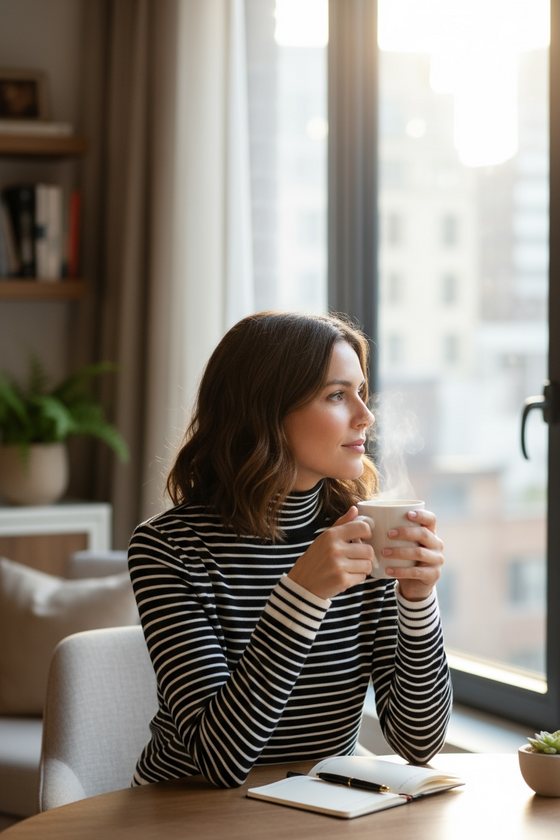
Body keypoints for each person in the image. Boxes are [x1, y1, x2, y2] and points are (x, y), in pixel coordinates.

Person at [128, 311, 451, 789]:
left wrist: (418, 600)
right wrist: (303, 593)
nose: (365, 416)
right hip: (185, 807)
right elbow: (221, 761)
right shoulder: (168, 548)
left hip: (322, 803)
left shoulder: (363, 533)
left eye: (361, 392)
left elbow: (418, 741)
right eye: (337, 395)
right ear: (266, 410)